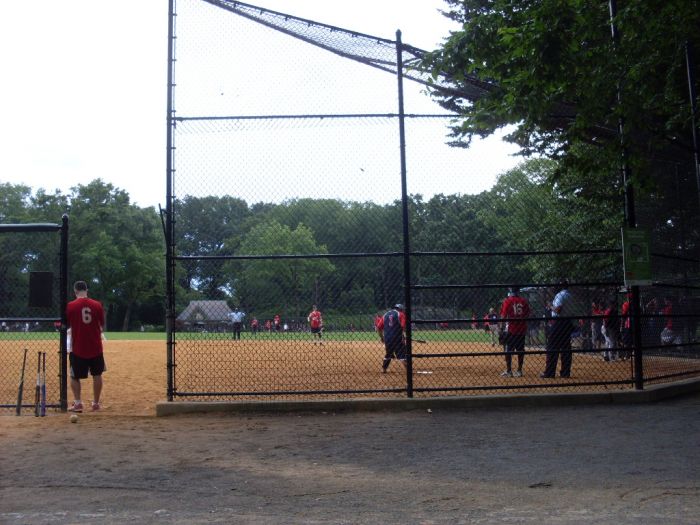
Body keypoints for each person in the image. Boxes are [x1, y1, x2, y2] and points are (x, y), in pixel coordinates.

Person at [65, 280, 106, 412]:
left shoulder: (70, 306)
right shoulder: (97, 305)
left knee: (74, 376)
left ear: (75, 291)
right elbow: (101, 325)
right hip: (95, 347)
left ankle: (78, 403)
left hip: (78, 348)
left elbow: (67, 324)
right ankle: (95, 404)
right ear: (87, 290)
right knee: (97, 374)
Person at [541, 279, 574, 378]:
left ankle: (550, 372)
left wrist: (550, 306)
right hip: (568, 322)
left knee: (552, 347)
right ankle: (565, 372)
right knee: (565, 348)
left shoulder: (560, 295)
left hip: (559, 323)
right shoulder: (570, 295)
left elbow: (558, 309)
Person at [499, 287, 531, 377]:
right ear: (518, 291)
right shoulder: (524, 301)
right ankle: (519, 370)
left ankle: (509, 371)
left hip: (511, 330)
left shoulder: (507, 301)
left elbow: (503, 315)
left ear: (510, 291)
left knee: (508, 350)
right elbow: (528, 314)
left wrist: (501, 328)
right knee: (520, 350)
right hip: (522, 329)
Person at [376, 304, 408, 372]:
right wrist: (404, 335)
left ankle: (384, 369)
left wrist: (382, 337)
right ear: (400, 309)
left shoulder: (385, 314)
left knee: (389, 353)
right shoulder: (401, 314)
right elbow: (403, 327)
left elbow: (378, 328)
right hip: (397, 337)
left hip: (387, 338)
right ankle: (408, 369)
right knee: (402, 353)